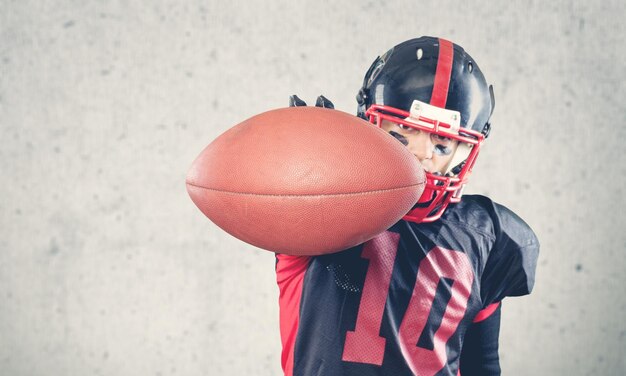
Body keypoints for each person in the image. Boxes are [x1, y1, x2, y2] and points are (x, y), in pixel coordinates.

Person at [276, 36, 539, 376]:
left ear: (466, 153)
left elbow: (482, 364)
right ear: (370, 124)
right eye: (402, 134)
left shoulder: (488, 237)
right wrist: (307, 170)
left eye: (443, 145)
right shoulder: (327, 205)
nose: (422, 155)